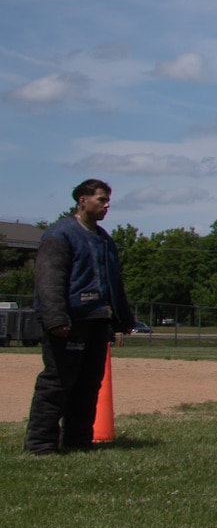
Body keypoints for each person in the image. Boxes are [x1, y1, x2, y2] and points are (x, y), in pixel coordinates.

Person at [24, 179, 135, 454]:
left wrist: (123, 318)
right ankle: (41, 443)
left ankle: (78, 440)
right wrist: (56, 318)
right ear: (82, 200)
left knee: (89, 384)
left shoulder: (103, 239)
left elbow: (114, 282)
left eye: (108, 200)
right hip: (70, 320)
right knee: (58, 382)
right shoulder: (59, 235)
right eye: (101, 199)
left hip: (97, 320)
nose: (107, 205)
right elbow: (49, 280)